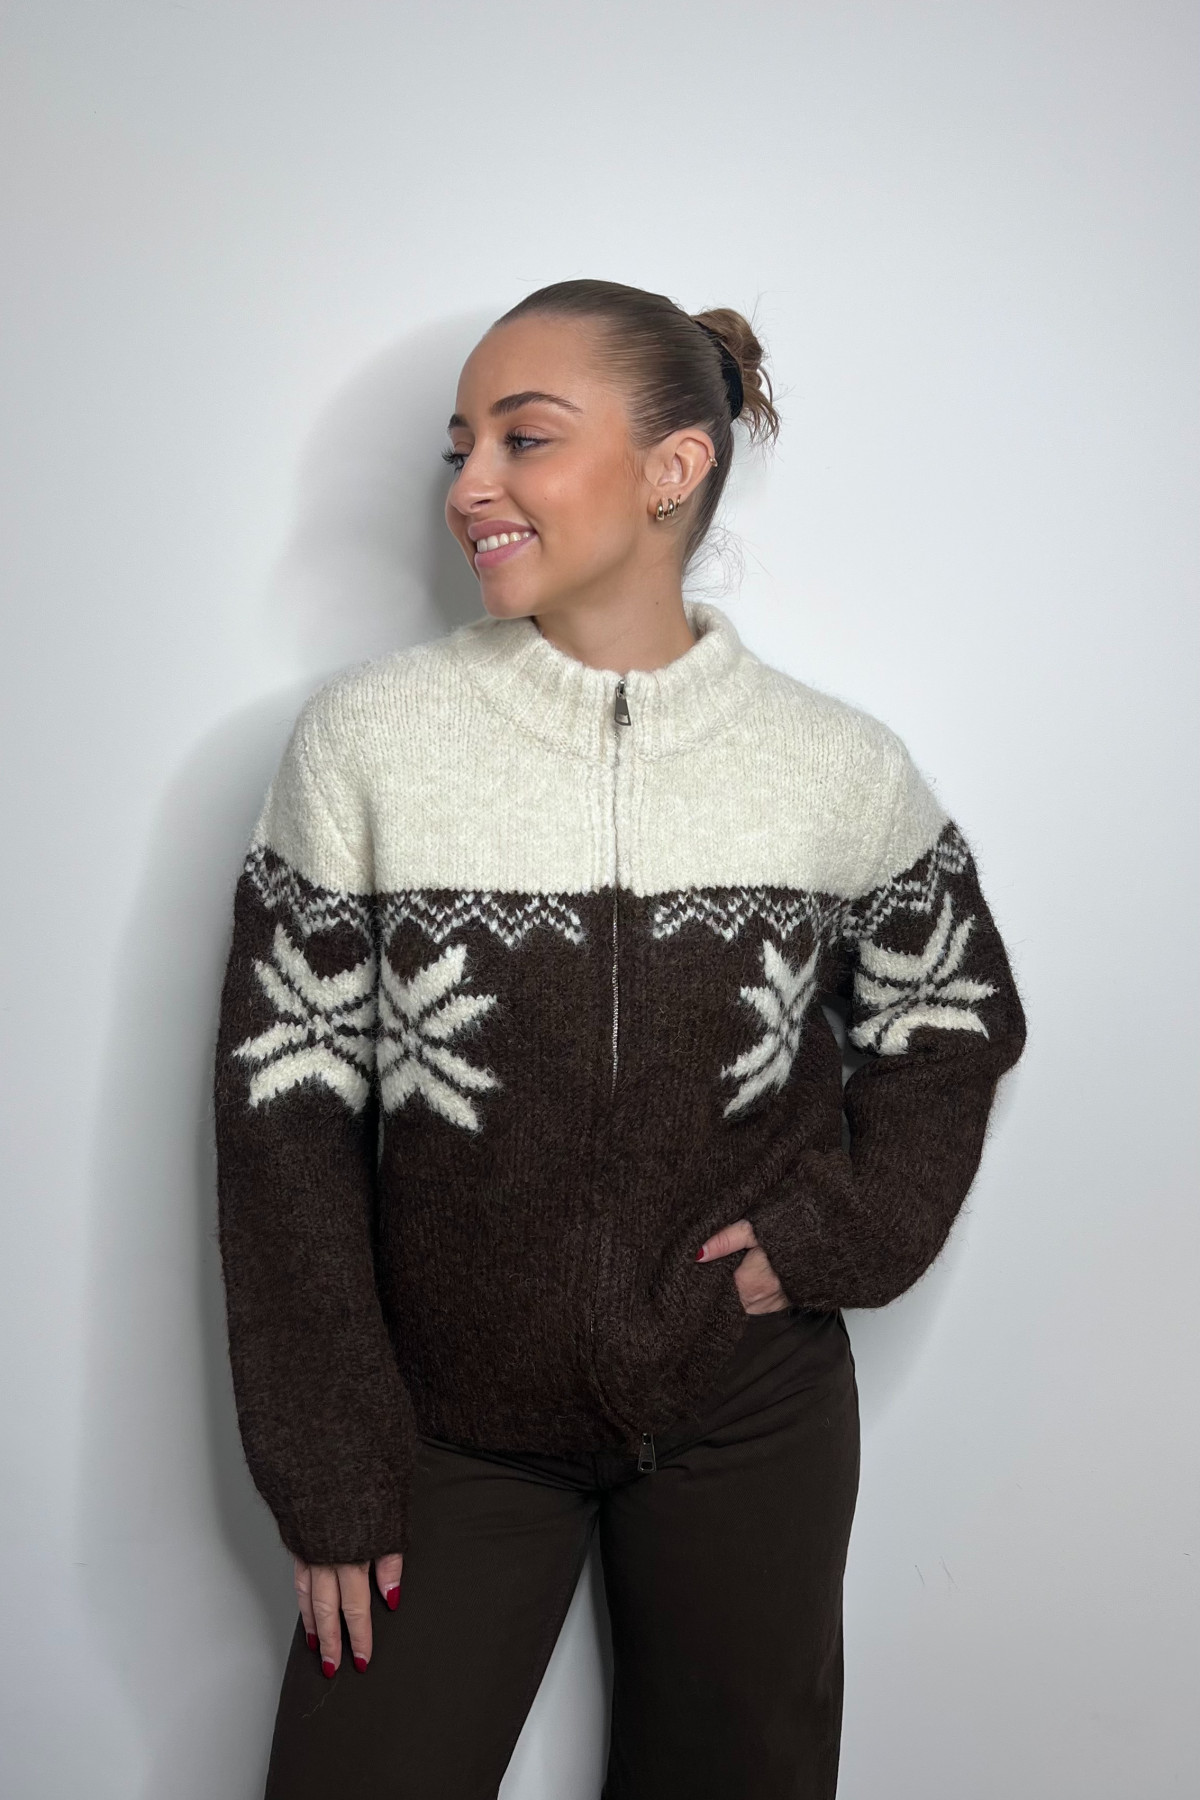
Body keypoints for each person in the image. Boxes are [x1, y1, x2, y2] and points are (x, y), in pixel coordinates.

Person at [212, 278, 1027, 1799]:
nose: (470, 486)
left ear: (674, 468)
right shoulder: (369, 743)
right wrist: (330, 1458)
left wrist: (836, 1235)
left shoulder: (832, 766)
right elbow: (286, 1122)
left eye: (523, 439)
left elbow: (954, 1020)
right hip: (444, 1427)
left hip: (744, 1410)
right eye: (459, 446)